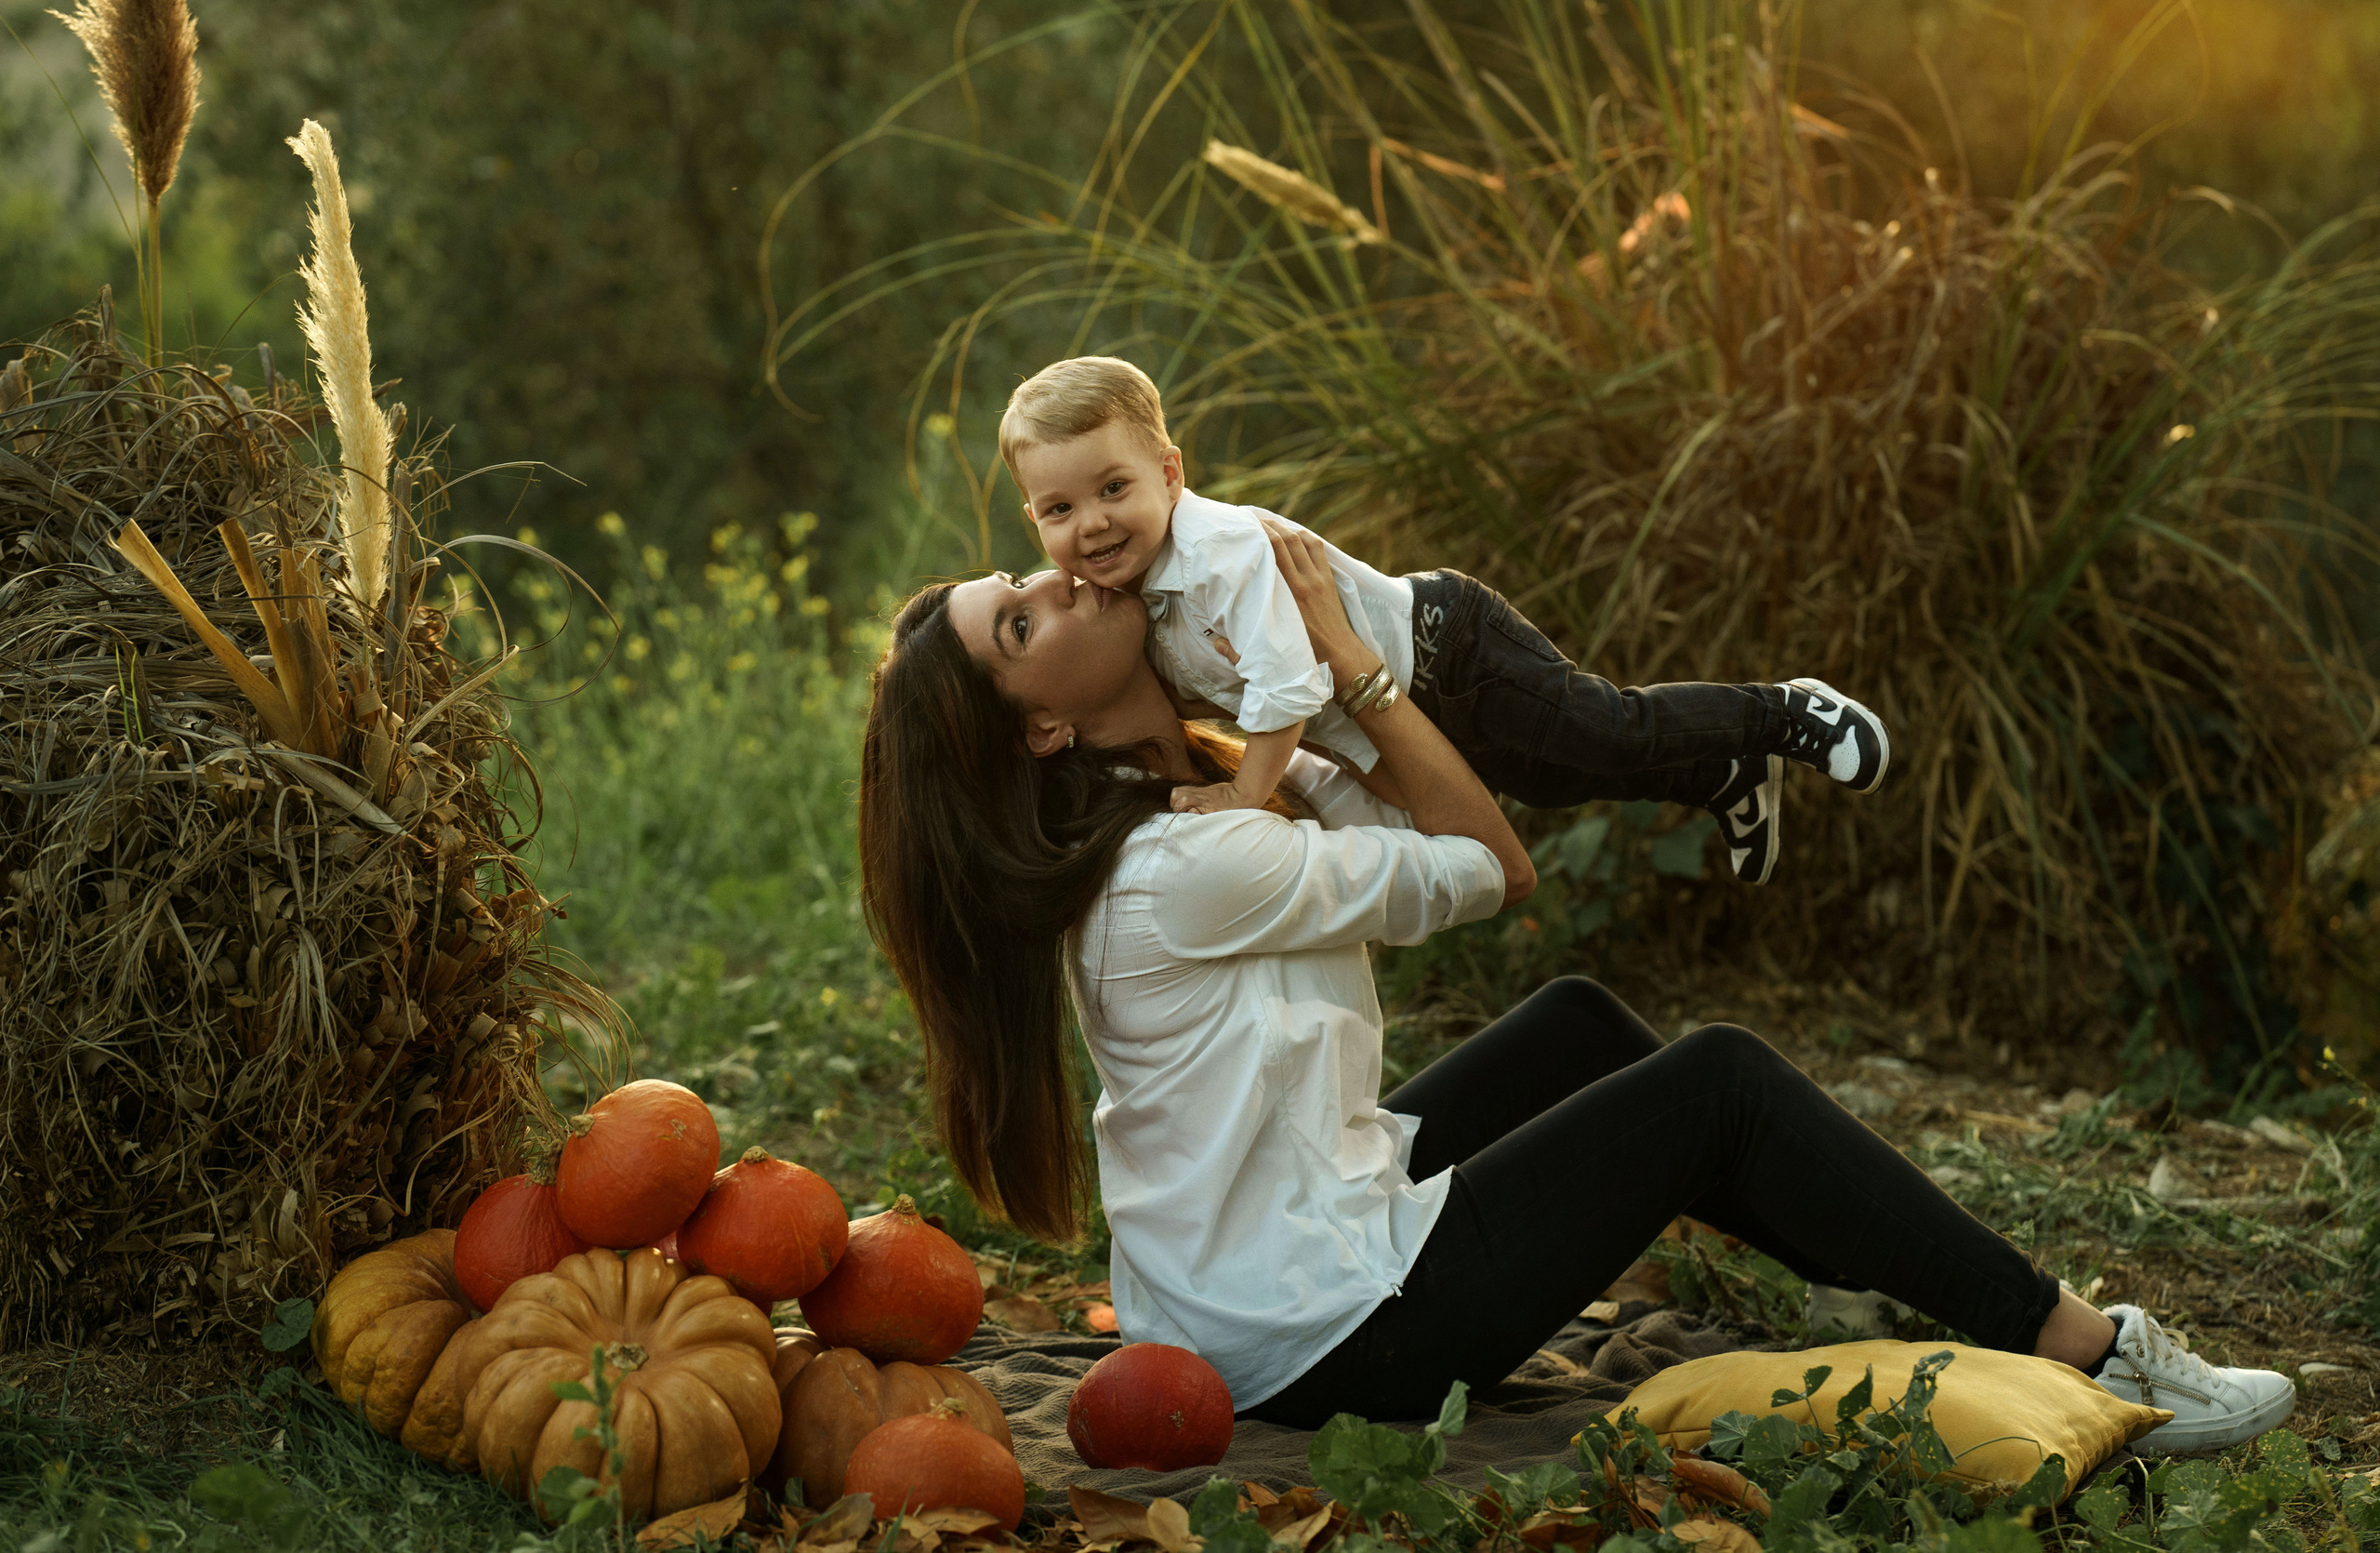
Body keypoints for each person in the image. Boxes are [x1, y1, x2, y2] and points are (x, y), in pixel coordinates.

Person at [854, 526, 2298, 1454]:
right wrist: (1357, 671)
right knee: (1717, 1081)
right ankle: (2092, 1350)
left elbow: (1386, 826)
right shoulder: (1188, 861)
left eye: (1026, 575)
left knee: (1582, 1030)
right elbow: (1488, 860)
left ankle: (1881, 1255)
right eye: (1023, 620)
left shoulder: (1180, 797)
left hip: (1240, 1278)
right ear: (1043, 724)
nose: (1058, 577)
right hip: (1334, 1334)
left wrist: (1292, 681)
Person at [998, 354, 1889, 885]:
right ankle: (1722, 775)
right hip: (1411, 696)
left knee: (1604, 726)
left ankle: (1783, 710)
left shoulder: (1221, 554)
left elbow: (1289, 683)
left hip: (1446, 646)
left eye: (1114, 489)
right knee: (1548, 778)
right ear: (1034, 519)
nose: (1093, 524)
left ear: (1171, 475)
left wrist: (1241, 791)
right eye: (1059, 510)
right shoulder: (1122, 594)